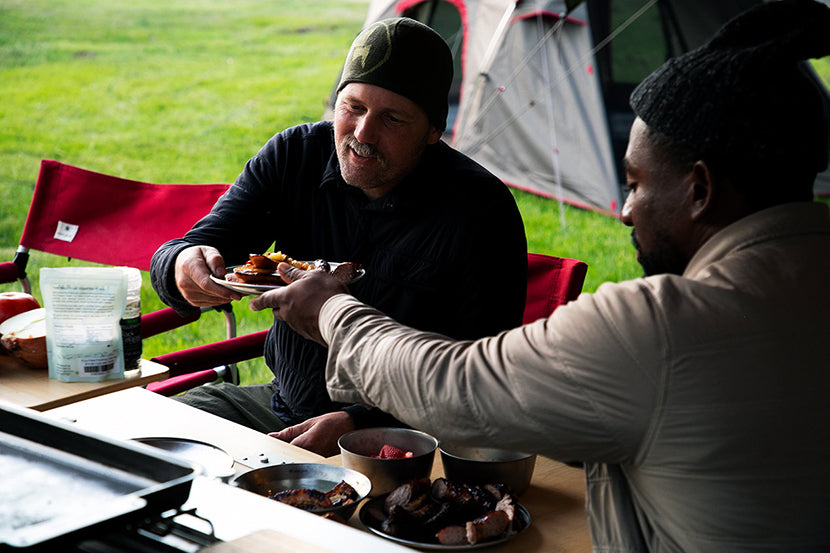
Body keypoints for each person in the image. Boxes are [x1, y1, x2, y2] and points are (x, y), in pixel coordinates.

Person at [253, 1, 830, 550]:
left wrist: (331, 310)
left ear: (700, 190)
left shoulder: (664, 326)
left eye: (634, 184)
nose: (626, 211)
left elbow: (456, 389)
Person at [150, 17, 528, 456]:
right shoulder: (295, 156)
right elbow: (192, 246)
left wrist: (361, 423)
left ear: (432, 131)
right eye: (353, 108)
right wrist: (181, 266)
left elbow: (478, 379)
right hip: (279, 410)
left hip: (407, 440)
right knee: (150, 441)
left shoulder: (480, 210)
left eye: (392, 118)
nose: (363, 134)